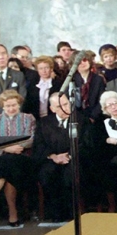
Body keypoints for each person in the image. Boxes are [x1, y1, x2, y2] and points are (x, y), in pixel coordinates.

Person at [0, 90, 36, 227]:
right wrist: (5, 149)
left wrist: (14, 148)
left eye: (14, 105)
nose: (11, 109)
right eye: (8, 106)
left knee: (9, 163)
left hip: (22, 158)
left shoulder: (28, 118)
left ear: (19, 105)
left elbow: (31, 139)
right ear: (2, 106)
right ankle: (13, 212)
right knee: (7, 166)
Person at [33, 93, 90, 221]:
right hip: (52, 160)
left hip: (75, 158)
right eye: (59, 106)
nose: (64, 109)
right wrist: (53, 156)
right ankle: (55, 214)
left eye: (66, 104)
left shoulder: (81, 120)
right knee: (47, 174)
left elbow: (86, 144)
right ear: (52, 109)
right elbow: (39, 144)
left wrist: (69, 155)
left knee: (70, 175)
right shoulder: (44, 123)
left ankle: (73, 213)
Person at [73, 51, 105, 122]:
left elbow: (102, 100)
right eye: (79, 61)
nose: (82, 63)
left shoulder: (98, 79)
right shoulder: (71, 80)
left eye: (84, 60)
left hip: (96, 117)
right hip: (77, 118)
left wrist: (93, 116)